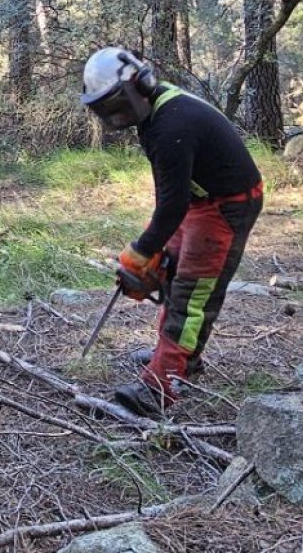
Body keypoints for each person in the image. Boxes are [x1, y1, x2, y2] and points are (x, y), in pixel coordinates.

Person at [80, 46, 264, 416]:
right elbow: (172, 195)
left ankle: (159, 387)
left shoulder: (171, 124)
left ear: (141, 84)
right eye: (107, 107)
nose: (116, 114)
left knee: (191, 293)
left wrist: (141, 250)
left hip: (228, 203)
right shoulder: (156, 117)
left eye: (119, 102)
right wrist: (153, 252)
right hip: (201, 199)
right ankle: (186, 358)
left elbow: (171, 205)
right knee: (172, 275)